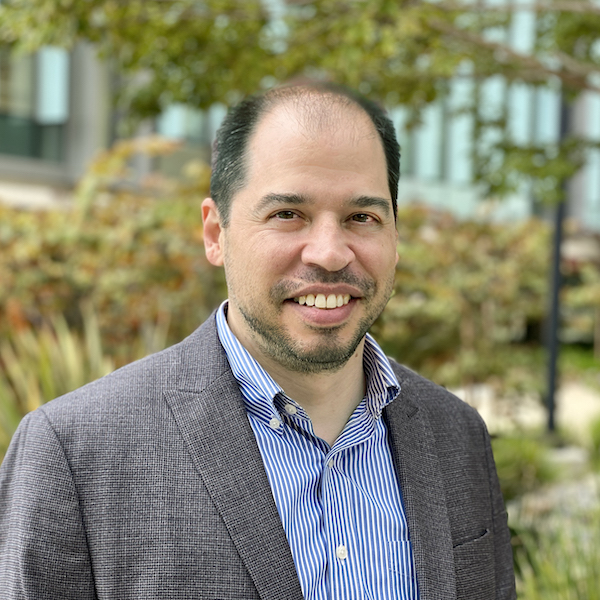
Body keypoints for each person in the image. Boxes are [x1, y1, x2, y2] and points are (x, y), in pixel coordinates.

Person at [0, 83, 516, 600]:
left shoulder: (457, 435)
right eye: (287, 214)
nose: (331, 253)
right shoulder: (74, 452)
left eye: (363, 217)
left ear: (395, 238)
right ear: (215, 233)